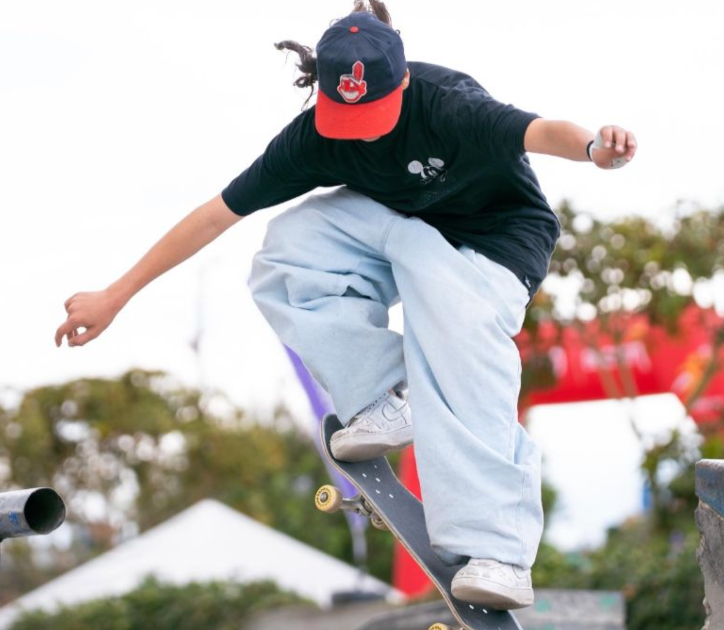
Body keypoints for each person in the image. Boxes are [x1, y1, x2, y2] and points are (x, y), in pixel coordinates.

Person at [55, 0, 636, 610]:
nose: (359, 135)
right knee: (290, 250)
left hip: (493, 245)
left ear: (403, 82)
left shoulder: (449, 103)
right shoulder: (312, 139)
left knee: (458, 337)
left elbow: (540, 131)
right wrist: (115, 294)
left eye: (376, 119)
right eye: (345, 121)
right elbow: (216, 214)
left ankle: (497, 549)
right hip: (407, 228)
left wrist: (596, 146)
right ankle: (383, 393)